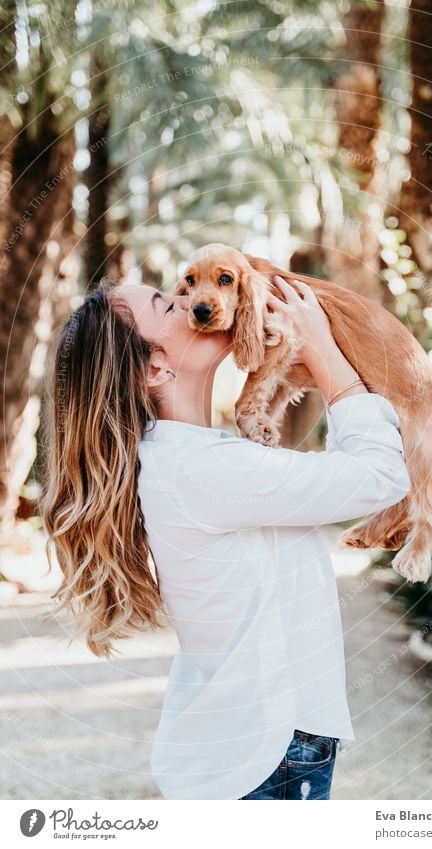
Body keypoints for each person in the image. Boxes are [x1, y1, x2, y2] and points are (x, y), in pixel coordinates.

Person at [41, 272, 411, 801]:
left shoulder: (189, 459)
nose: (194, 300)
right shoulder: (203, 470)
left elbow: (336, 483)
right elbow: (380, 476)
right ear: (155, 367)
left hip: (252, 748)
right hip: (270, 755)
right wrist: (323, 348)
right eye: (168, 306)